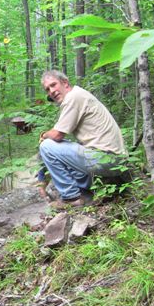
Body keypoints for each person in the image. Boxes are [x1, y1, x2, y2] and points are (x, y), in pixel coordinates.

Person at [38, 70, 127, 208]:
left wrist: (43, 135)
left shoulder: (73, 97)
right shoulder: (78, 94)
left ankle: (71, 197)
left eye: (53, 85)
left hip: (107, 158)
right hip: (114, 160)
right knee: (62, 148)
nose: (51, 91)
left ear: (65, 83)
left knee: (47, 146)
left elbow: (57, 135)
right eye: (48, 89)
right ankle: (86, 188)